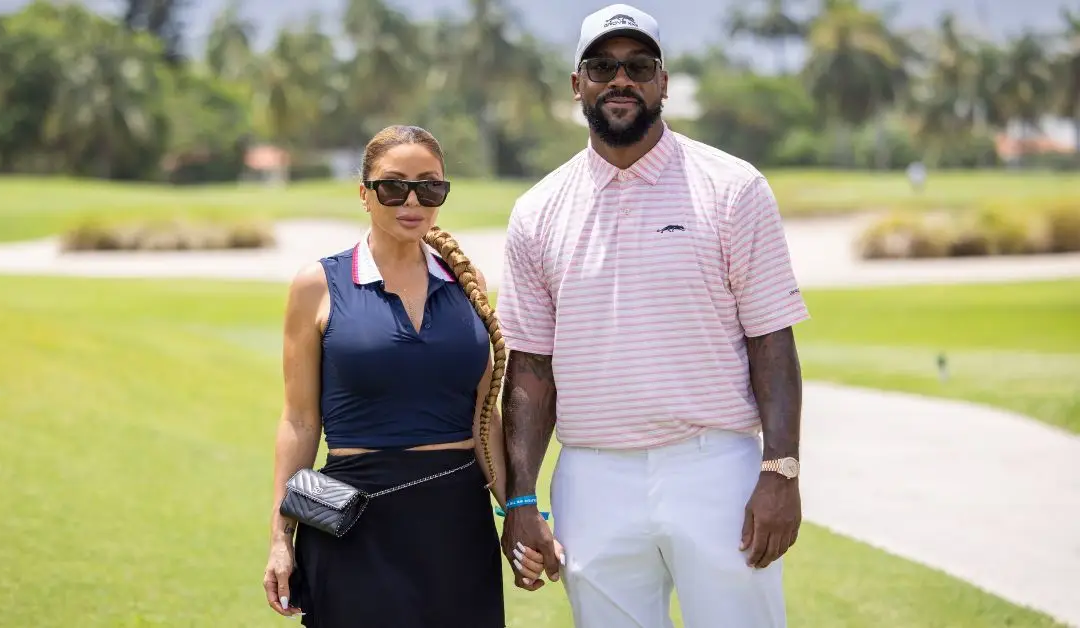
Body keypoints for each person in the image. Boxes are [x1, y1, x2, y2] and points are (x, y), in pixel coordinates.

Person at [496, 4, 810, 628]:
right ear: (577, 83)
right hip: (592, 476)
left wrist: (781, 471)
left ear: (663, 82)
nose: (621, 80)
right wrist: (521, 499)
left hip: (715, 466)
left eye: (639, 66)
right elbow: (530, 369)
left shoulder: (733, 187)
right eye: (602, 66)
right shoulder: (537, 212)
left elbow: (772, 340)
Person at [261, 124, 548, 628]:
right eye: (393, 186)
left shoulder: (466, 283)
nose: (412, 200)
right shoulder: (317, 285)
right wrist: (280, 538)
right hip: (353, 524)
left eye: (430, 186)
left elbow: (486, 417)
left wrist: (518, 513)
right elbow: (300, 422)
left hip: (457, 525)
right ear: (364, 194)